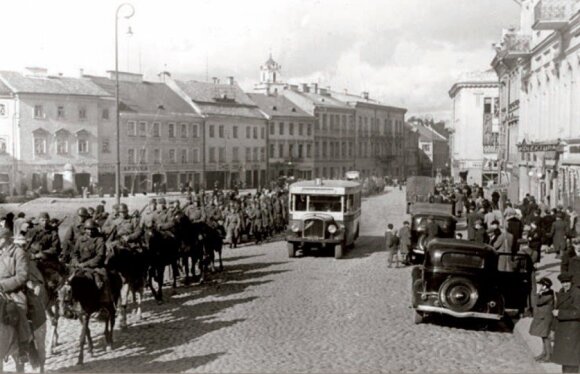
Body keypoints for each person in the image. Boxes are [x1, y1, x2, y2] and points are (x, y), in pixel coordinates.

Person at [552, 272, 580, 373]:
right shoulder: (562, 291)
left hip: (572, 331)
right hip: (563, 330)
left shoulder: (576, 293)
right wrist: (553, 329)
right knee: (565, 359)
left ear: (571, 282)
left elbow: (578, 312)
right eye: (563, 282)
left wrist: (560, 313)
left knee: (572, 360)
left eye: (567, 282)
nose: (565, 284)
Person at [69, 219, 107, 290]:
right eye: (88, 229)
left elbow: (100, 256)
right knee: (67, 282)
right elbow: (74, 253)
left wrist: (85, 264)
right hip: (79, 266)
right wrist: (75, 261)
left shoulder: (99, 240)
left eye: (92, 229)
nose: (90, 231)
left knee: (102, 282)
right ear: (85, 229)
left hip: (95, 267)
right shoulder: (80, 239)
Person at [529, 277, 555, 362]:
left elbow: (538, 302)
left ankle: (548, 356)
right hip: (542, 317)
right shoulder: (545, 293)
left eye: (541, 284)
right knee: (543, 336)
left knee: (546, 337)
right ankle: (544, 353)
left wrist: (538, 293)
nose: (539, 286)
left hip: (546, 318)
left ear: (545, 286)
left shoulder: (548, 294)